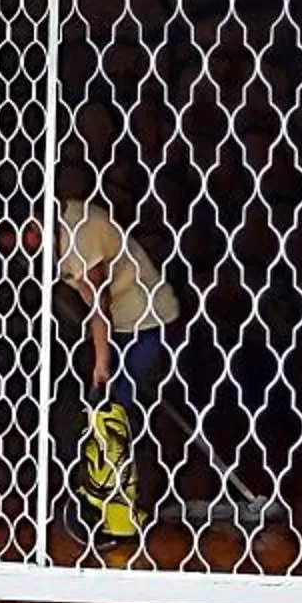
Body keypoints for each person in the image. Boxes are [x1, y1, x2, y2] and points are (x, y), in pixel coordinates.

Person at [46, 198, 181, 544]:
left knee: (117, 414)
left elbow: (99, 303)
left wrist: (101, 362)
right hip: (123, 325)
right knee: (115, 415)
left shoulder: (81, 235)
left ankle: (120, 513)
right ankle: (114, 503)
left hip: (146, 322)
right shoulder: (64, 224)